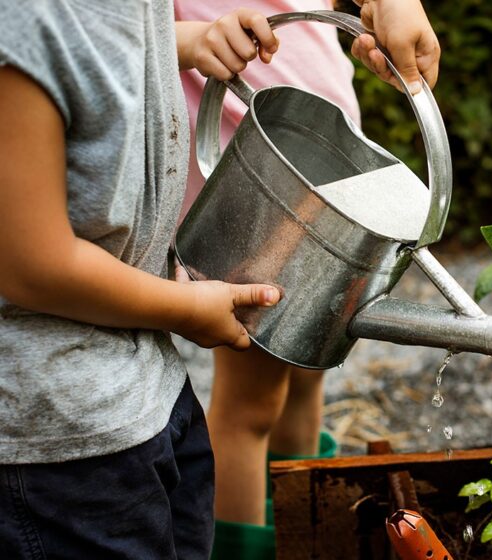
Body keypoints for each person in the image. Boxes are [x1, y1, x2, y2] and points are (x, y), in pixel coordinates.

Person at [0, 3, 284, 558]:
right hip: (60, 440)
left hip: (148, 391)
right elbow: (34, 267)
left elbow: (102, 48)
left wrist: (189, 41)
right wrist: (183, 308)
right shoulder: (20, 26)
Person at [173, 0, 441, 553]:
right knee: (252, 398)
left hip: (323, 131)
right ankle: (247, 547)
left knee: (308, 365)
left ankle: (307, 531)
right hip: (253, 155)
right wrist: (191, 39)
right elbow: (111, 31)